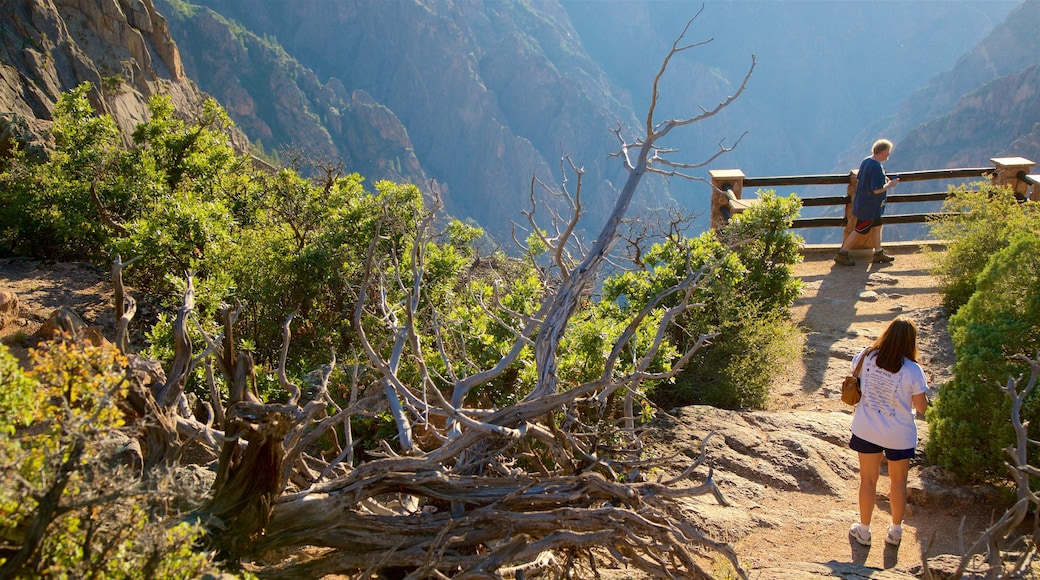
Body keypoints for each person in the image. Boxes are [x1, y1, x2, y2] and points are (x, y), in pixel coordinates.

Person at [847, 316, 929, 547]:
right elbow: (921, 407)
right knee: (898, 482)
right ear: (911, 341)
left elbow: (855, 376)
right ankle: (895, 532)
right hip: (899, 434)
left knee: (868, 480)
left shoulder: (867, 356)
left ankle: (863, 531)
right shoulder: (914, 370)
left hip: (867, 428)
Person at [835, 139, 900, 266]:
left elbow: (862, 179)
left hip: (867, 205)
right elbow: (876, 190)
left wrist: (883, 179)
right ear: (882, 152)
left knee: (877, 227)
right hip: (869, 208)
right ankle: (842, 253)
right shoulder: (875, 166)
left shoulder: (867, 161)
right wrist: (890, 185)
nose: (889, 154)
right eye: (888, 152)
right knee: (859, 230)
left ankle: (878, 253)